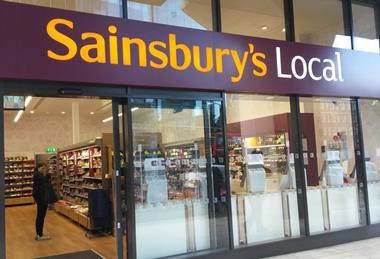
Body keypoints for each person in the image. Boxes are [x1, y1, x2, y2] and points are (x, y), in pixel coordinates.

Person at [32, 163, 51, 241]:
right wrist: (48, 174)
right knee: (41, 216)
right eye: (42, 168)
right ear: (38, 168)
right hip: (41, 198)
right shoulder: (38, 174)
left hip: (40, 197)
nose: (44, 170)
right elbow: (45, 181)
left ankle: (39, 234)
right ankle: (39, 235)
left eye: (44, 168)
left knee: (41, 216)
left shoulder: (37, 174)